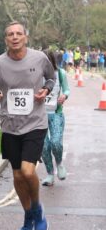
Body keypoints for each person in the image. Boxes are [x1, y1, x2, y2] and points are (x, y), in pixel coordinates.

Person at [0, 21, 55, 230]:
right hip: (10, 126)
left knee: (27, 171)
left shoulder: (39, 58)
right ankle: (27, 214)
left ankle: (37, 208)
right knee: (16, 175)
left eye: (18, 33)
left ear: (25, 37)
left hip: (35, 123)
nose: (14, 37)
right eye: (10, 34)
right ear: (6, 39)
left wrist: (46, 90)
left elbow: (51, 78)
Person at [41, 50, 70, 186]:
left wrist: (64, 95)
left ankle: (59, 164)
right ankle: (50, 174)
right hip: (39, 116)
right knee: (44, 146)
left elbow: (67, 89)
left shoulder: (61, 73)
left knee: (56, 143)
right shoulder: (34, 75)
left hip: (56, 113)